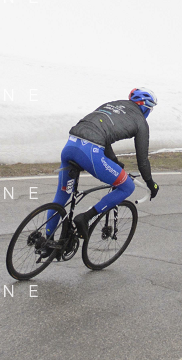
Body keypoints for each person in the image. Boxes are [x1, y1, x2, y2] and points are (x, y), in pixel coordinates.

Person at [44, 88, 159, 248]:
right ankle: (85, 218)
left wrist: (115, 162)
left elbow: (101, 132)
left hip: (70, 145)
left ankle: (47, 243)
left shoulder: (112, 105)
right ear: (145, 106)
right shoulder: (141, 122)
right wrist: (151, 183)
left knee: (62, 197)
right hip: (89, 152)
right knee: (127, 186)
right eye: (150, 109)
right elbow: (143, 161)